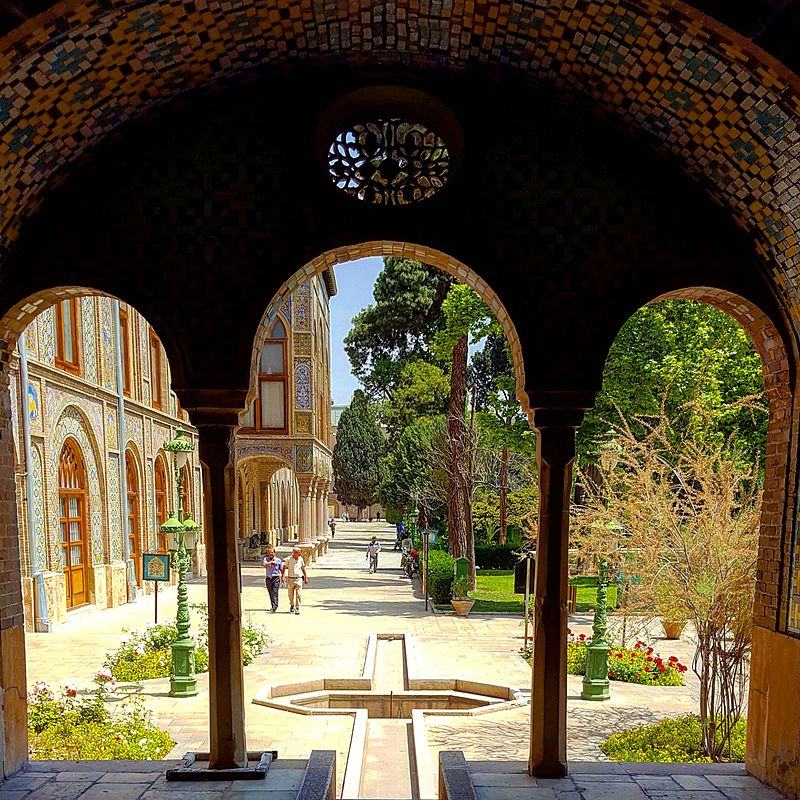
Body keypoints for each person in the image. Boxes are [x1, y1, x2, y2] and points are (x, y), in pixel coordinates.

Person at [281, 546, 308, 614]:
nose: (298, 554)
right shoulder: (289, 559)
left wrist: (305, 577)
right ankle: (292, 605)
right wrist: (283, 576)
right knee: (290, 594)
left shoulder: (301, 559)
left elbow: (302, 568)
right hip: (290, 579)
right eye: (297, 553)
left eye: (299, 553)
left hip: (298, 578)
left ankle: (297, 608)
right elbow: (284, 568)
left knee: (299, 594)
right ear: (294, 553)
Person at [262, 546, 283, 613]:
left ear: (274, 553)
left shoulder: (278, 560)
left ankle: (275, 606)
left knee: (275, 592)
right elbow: (264, 565)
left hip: (276, 578)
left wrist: (283, 577)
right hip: (268, 578)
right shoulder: (266, 559)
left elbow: (281, 569)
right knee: (270, 592)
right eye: (269, 552)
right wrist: (271, 563)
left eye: (271, 552)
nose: (270, 554)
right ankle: (273, 605)